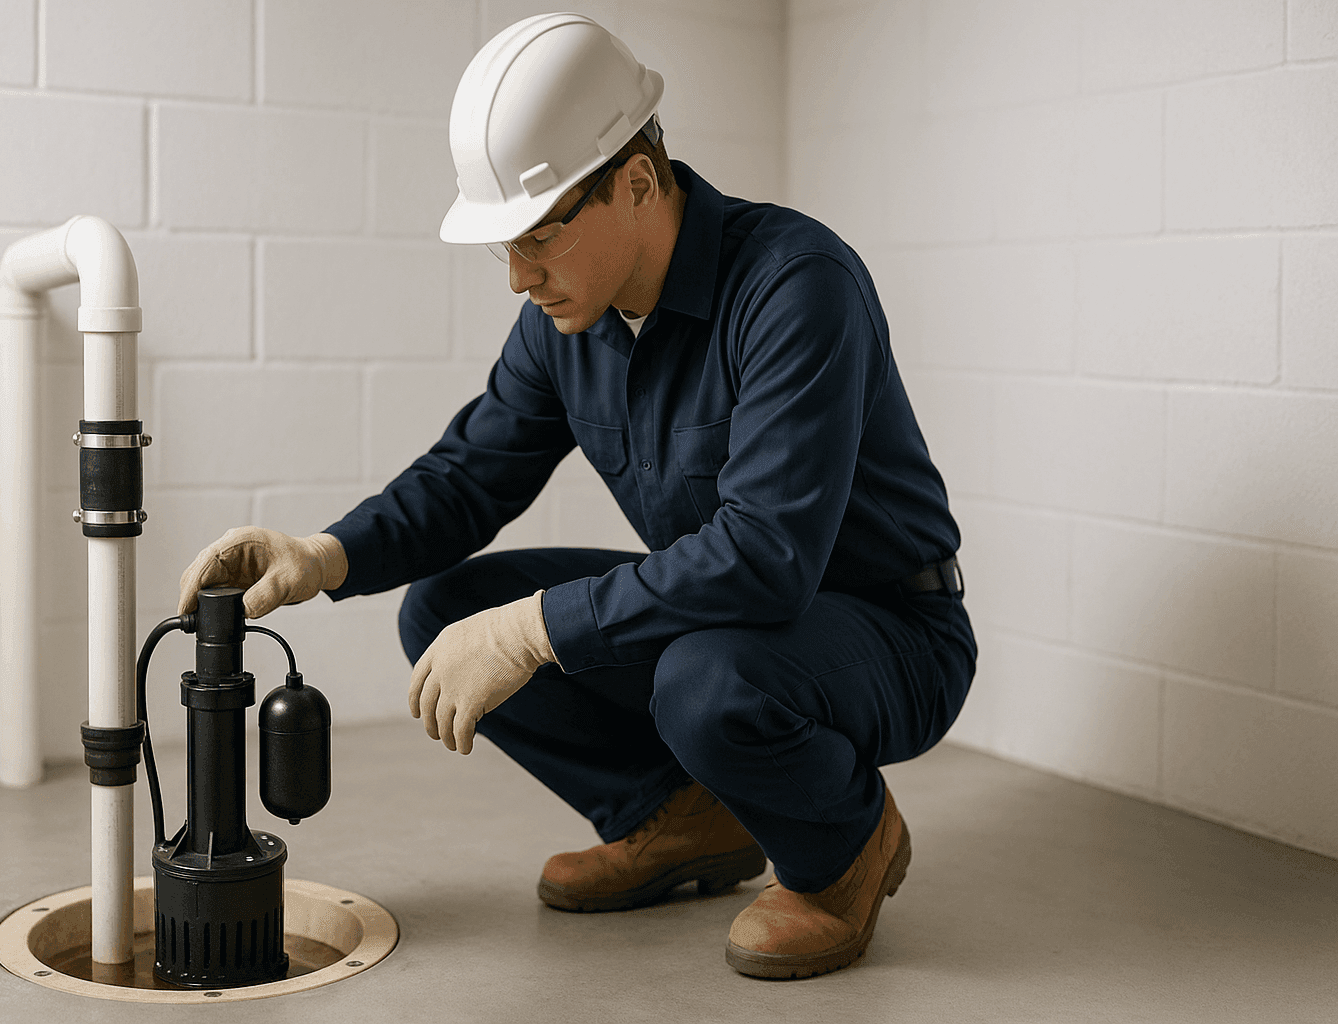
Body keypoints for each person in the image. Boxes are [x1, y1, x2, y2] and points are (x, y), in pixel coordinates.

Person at [177, 13, 976, 980]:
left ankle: (844, 847)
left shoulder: (794, 286)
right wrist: (322, 556)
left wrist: (533, 632)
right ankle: (682, 818)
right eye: (499, 248)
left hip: (887, 628)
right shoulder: (567, 322)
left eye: (538, 237)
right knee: (447, 610)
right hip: (732, 622)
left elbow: (766, 557)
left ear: (638, 182)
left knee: (702, 681)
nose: (518, 278)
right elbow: (470, 474)